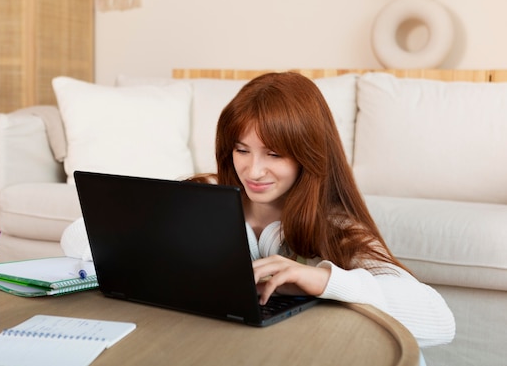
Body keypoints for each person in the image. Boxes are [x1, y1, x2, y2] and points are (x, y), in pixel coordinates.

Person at [189, 72, 455, 349]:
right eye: (242, 150)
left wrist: (323, 280)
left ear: (308, 154)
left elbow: (440, 321)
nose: (253, 171)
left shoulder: (336, 226)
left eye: (274, 154)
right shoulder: (200, 197)